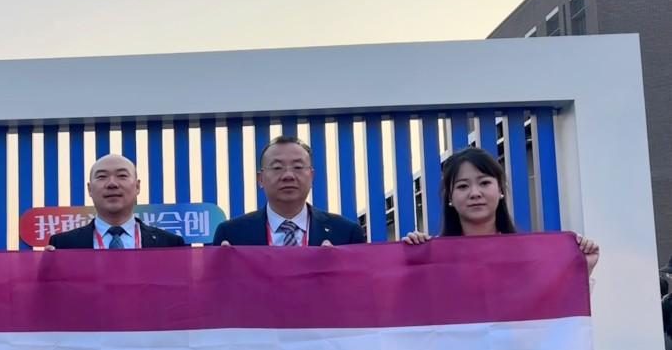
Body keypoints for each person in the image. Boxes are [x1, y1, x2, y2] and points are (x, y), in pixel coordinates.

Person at [401, 146, 600, 274]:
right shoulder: (433, 258)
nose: (475, 193)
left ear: (500, 190)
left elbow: (554, 308)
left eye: (484, 183)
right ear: (450, 198)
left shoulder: (527, 255)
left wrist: (583, 269)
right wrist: (411, 258)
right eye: (462, 186)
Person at [211, 136, 366, 247]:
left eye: (298, 167)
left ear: (311, 176)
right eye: (277, 167)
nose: (288, 176)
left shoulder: (346, 233)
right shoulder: (231, 234)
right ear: (260, 179)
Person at [47, 153, 185, 249]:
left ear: (137, 187)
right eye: (102, 177)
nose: (112, 184)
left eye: (122, 175)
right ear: (89, 189)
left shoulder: (170, 244)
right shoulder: (63, 245)